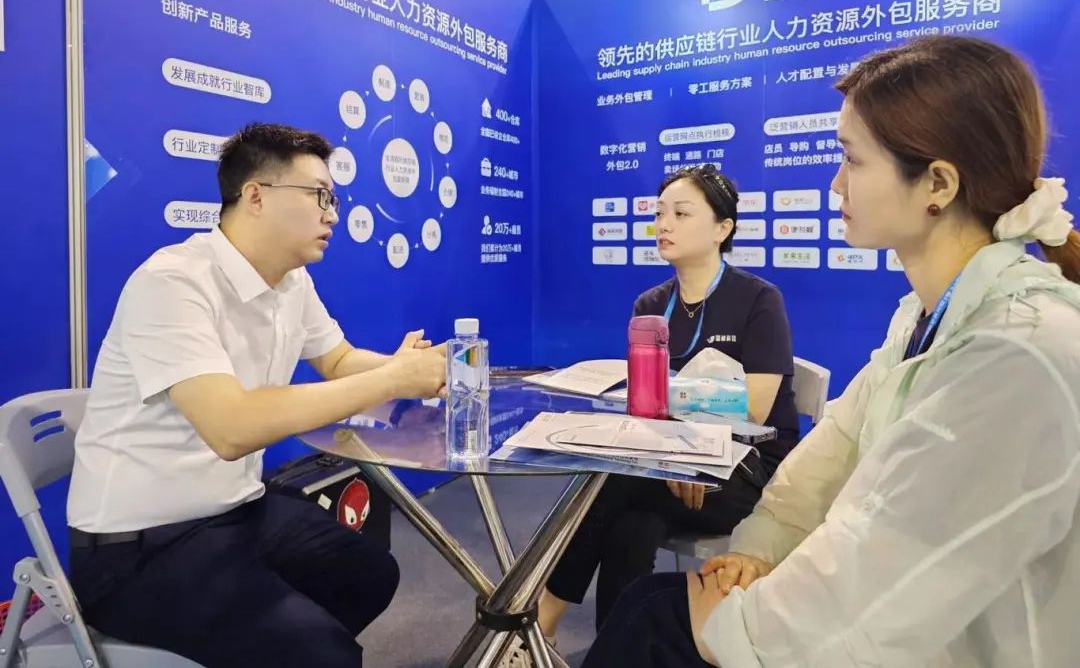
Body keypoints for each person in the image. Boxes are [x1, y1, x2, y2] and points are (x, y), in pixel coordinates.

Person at [581, 35, 1080, 668]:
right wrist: (757, 548)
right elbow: (831, 453)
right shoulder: (923, 319)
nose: (836, 182)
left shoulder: (1018, 355)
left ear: (937, 183)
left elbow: (877, 588)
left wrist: (734, 622)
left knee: (654, 619)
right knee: (646, 587)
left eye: (852, 160)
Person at [66, 123, 447, 668]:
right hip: (138, 546)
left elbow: (338, 361)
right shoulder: (172, 282)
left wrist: (407, 368)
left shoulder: (290, 281)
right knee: (320, 652)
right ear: (255, 196)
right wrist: (391, 380)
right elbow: (232, 428)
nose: (332, 215)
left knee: (370, 574)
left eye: (334, 200)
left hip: (236, 512)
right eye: (319, 196)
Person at [506, 165, 798, 665]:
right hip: (661, 467)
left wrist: (682, 448)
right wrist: (671, 454)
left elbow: (754, 407)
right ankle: (615, 650)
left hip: (744, 468)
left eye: (681, 214)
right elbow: (642, 408)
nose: (664, 224)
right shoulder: (651, 304)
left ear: (723, 228)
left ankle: (543, 617)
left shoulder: (758, 299)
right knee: (632, 524)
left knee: (614, 479)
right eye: (660, 213)